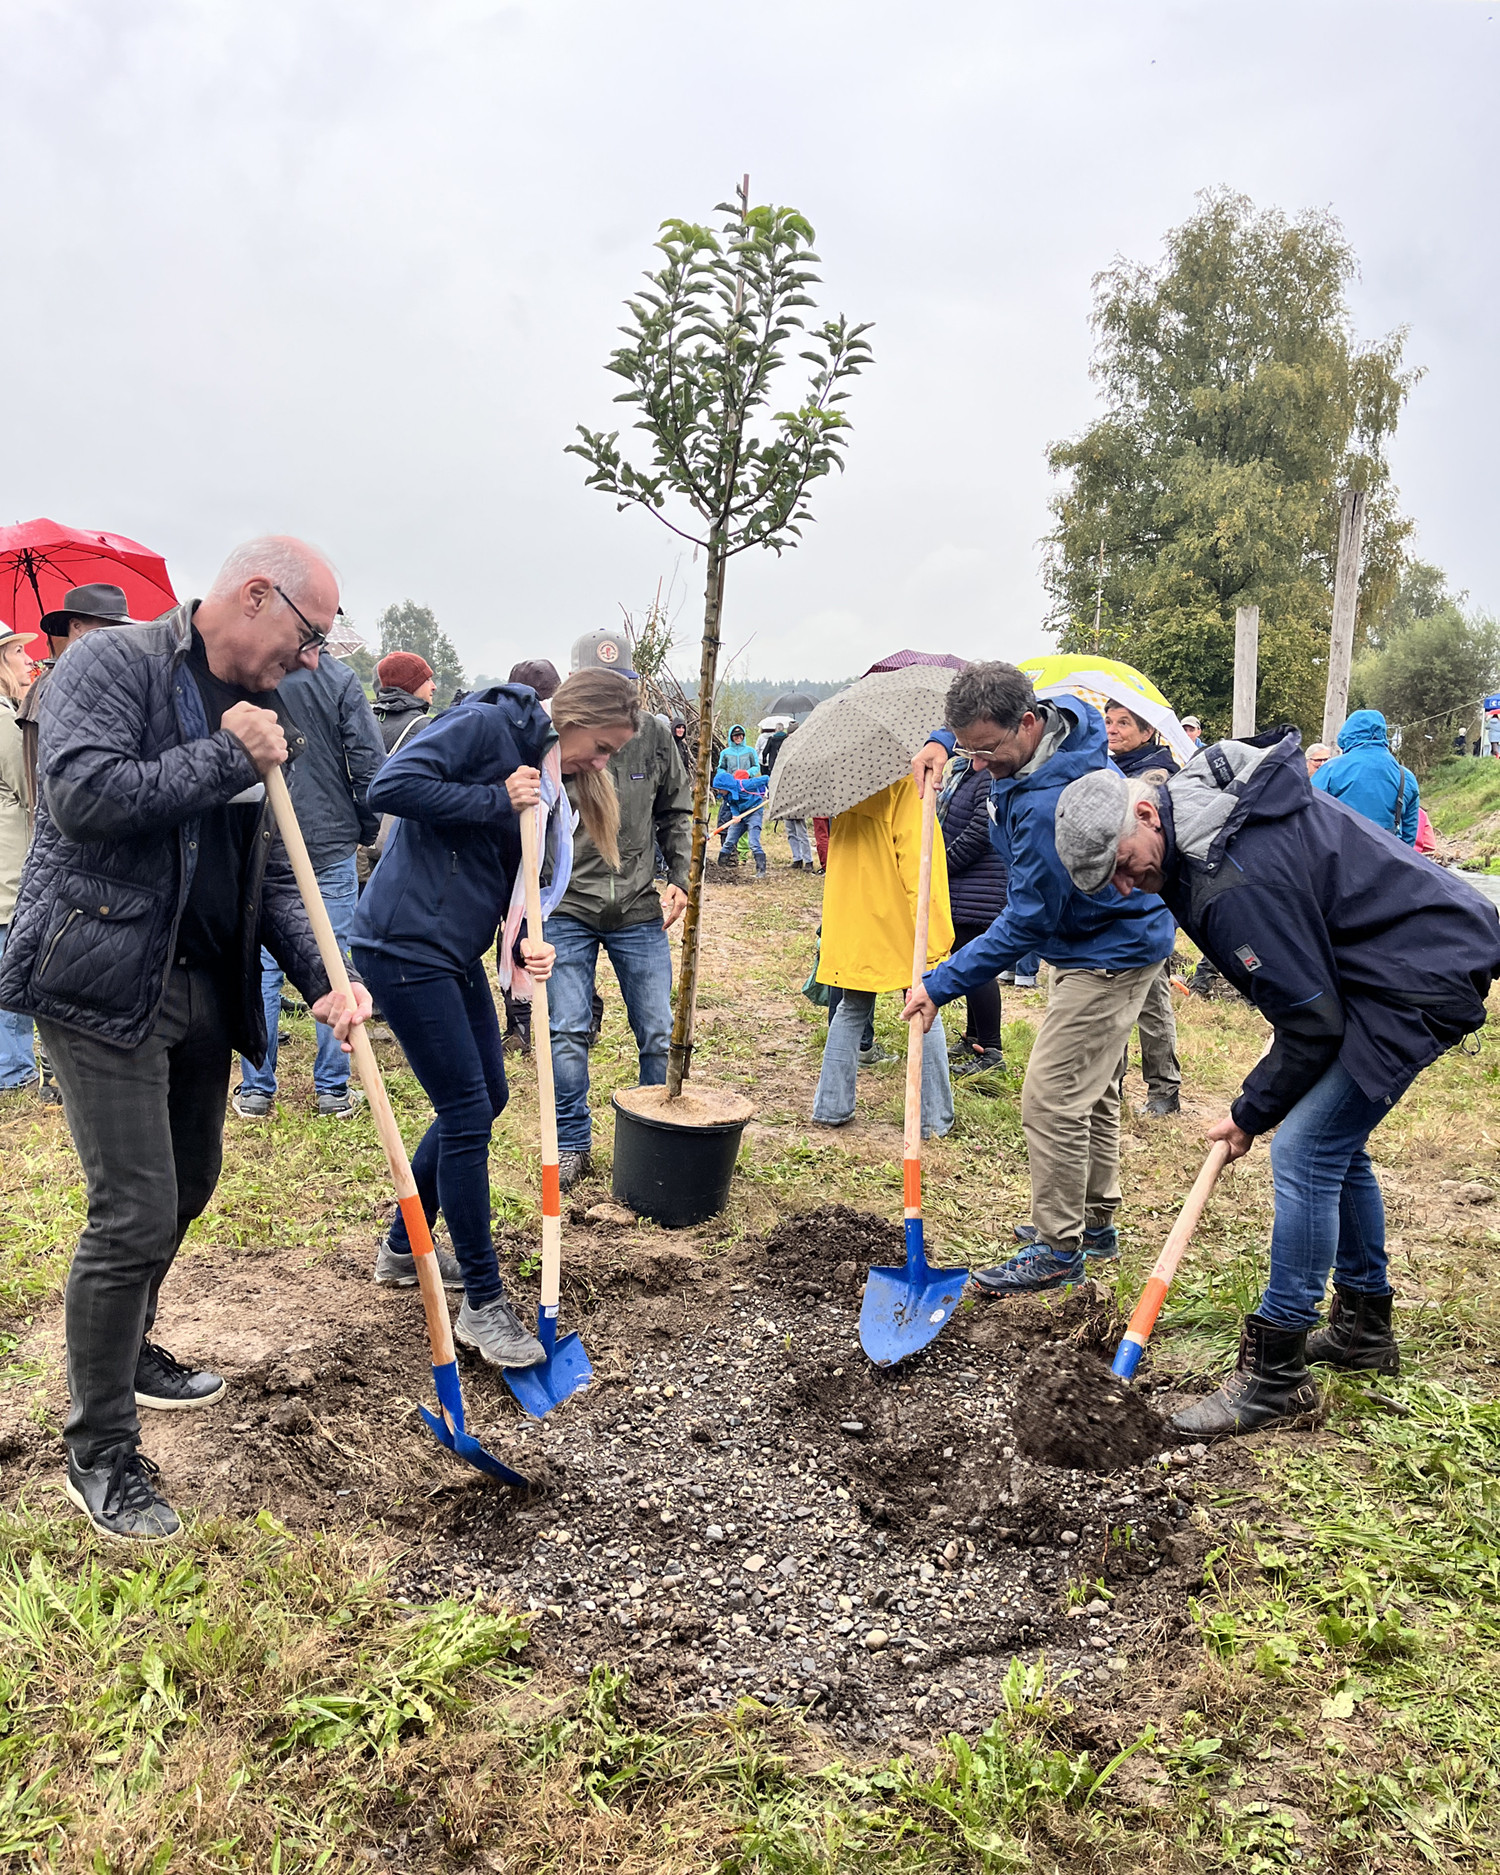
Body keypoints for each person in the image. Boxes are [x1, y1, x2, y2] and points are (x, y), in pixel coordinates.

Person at [0, 537, 371, 1540]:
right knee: (132, 1211)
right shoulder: (110, 664)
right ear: (255, 595)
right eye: (307, 635)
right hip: (103, 976)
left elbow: (276, 872)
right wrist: (224, 755)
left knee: (191, 1182)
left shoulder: (269, 711)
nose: (309, 660)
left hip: (208, 980)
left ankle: (132, 1347)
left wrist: (324, 977)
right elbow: (80, 798)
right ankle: (99, 1451)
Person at [1052, 731, 1500, 1435]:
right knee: (1335, 1142)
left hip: (1416, 974)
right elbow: (1303, 992)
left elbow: (1312, 1024)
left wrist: (1250, 1112)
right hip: (1392, 960)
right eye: (1109, 882)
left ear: (1143, 814)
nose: (1125, 887)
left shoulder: (1230, 875)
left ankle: (1276, 1374)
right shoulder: (1195, 822)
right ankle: (1362, 1328)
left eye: (1123, 867)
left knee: (1305, 1149)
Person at [351, 671, 637, 1355]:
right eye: (600, 747)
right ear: (571, 718)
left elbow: (511, 874)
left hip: (452, 945)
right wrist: (493, 798)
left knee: (489, 1095)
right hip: (402, 941)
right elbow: (389, 788)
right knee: (466, 1114)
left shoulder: (552, 774)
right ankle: (482, 1303)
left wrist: (526, 940)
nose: (601, 764)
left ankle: (402, 1247)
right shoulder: (489, 727)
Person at [903, 663, 1175, 1292]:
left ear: (1027, 724)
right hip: (1091, 940)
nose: (978, 764)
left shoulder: (1052, 805)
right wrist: (941, 744)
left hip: (1109, 949)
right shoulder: (1048, 719)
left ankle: (1058, 1247)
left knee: (1052, 1097)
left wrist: (940, 984)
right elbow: (981, 728)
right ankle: (1094, 1222)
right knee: (1093, 1089)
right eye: (967, 749)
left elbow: (1025, 923)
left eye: (986, 750)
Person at [544, 635, 691, 1189]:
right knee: (566, 1031)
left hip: (637, 907)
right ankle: (572, 1143)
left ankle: (656, 1138)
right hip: (567, 906)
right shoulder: (548, 739)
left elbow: (677, 809)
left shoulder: (653, 735)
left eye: (623, 687)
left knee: (656, 1030)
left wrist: (680, 879)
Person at [233, 648, 386, 1118]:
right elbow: (368, 763)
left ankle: (256, 1088)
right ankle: (333, 1090)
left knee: (264, 964)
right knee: (334, 963)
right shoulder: (339, 679)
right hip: (326, 838)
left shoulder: (245, 671)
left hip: (266, 837)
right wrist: (364, 828)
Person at [813, 776, 955, 1136]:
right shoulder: (908, 786)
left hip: (853, 923)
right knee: (925, 1009)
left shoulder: (848, 787)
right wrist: (935, 944)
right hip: (898, 923)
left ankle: (830, 1106)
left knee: (850, 1009)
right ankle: (934, 1117)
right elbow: (920, 866)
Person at [1104, 700, 1183, 1116]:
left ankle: (1164, 1090)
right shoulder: (1112, 766)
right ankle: (1110, 1085)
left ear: (1147, 731)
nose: (1112, 729)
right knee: (1112, 1004)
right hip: (1116, 902)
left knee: (1151, 1002)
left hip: (1148, 903)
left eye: (1123, 722)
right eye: (1108, 721)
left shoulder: (1156, 773)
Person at [500, 658, 563, 1057]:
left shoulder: (560, 747)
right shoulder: (503, 743)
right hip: (516, 874)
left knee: (544, 947)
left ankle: (548, 1022)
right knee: (517, 940)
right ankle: (520, 1023)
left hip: (547, 875)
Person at [938, 755, 1007, 1077]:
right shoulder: (962, 773)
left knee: (978, 966)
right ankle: (974, 1038)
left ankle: (991, 1050)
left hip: (979, 885)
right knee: (969, 961)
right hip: (964, 886)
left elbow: (980, 832)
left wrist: (941, 865)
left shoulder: (988, 778)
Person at [0, 627, 37, 1091]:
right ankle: (14, 1069)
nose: (28, 659)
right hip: (9, 868)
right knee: (12, 969)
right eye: (17, 651)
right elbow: (32, 788)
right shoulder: (3, 721)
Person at [1312, 710, 1418, 843]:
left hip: (1340, 851)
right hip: (1389, 853)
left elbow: (1308, 816)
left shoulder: (1330, 770)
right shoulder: (1405, 777)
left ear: (1346, 735)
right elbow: (1409, 836)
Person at [372, 652, 436, 753]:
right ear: (411, 685)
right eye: (427, 680)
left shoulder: (366, 721)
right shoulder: (428, 728)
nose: (434, 687)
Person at [714, 763, 768, 872]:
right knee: (729, 841)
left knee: (753, 842)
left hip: (754, 812)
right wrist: (735, 814)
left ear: (726, 786)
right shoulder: (727, 794)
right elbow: (732, 804)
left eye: (720, 789)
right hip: (740, 815)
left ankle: (761, 870)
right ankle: (720, 868)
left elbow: (766, 778)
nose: (719, 791)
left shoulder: (745, 785)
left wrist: (771, 791)